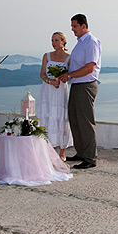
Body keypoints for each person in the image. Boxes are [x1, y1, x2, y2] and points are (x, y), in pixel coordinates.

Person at [58, 14, 101, 169]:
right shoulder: (80, 43)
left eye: (75, 26)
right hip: (77, 85)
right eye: (72, 27)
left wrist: (69, 75)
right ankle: (81, 153)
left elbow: (90, 67)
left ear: (84, 26)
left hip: (86, 85)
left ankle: (90, 158)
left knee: (85, 122)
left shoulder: (91, 42)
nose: (72, 30)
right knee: (75, 119)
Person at [38, 32, 73, 161]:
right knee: (47, 117)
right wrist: (50, 81)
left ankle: (62, 152)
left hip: (61, 91)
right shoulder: (46, 56)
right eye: (52, 40)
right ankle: (48, 150)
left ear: (63, 41)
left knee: (61, 118)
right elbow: (42, 74)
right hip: (48, 90)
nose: (53, 43)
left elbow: (71, 75)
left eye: (56, 40)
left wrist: (65, 78)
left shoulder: (69, 58)